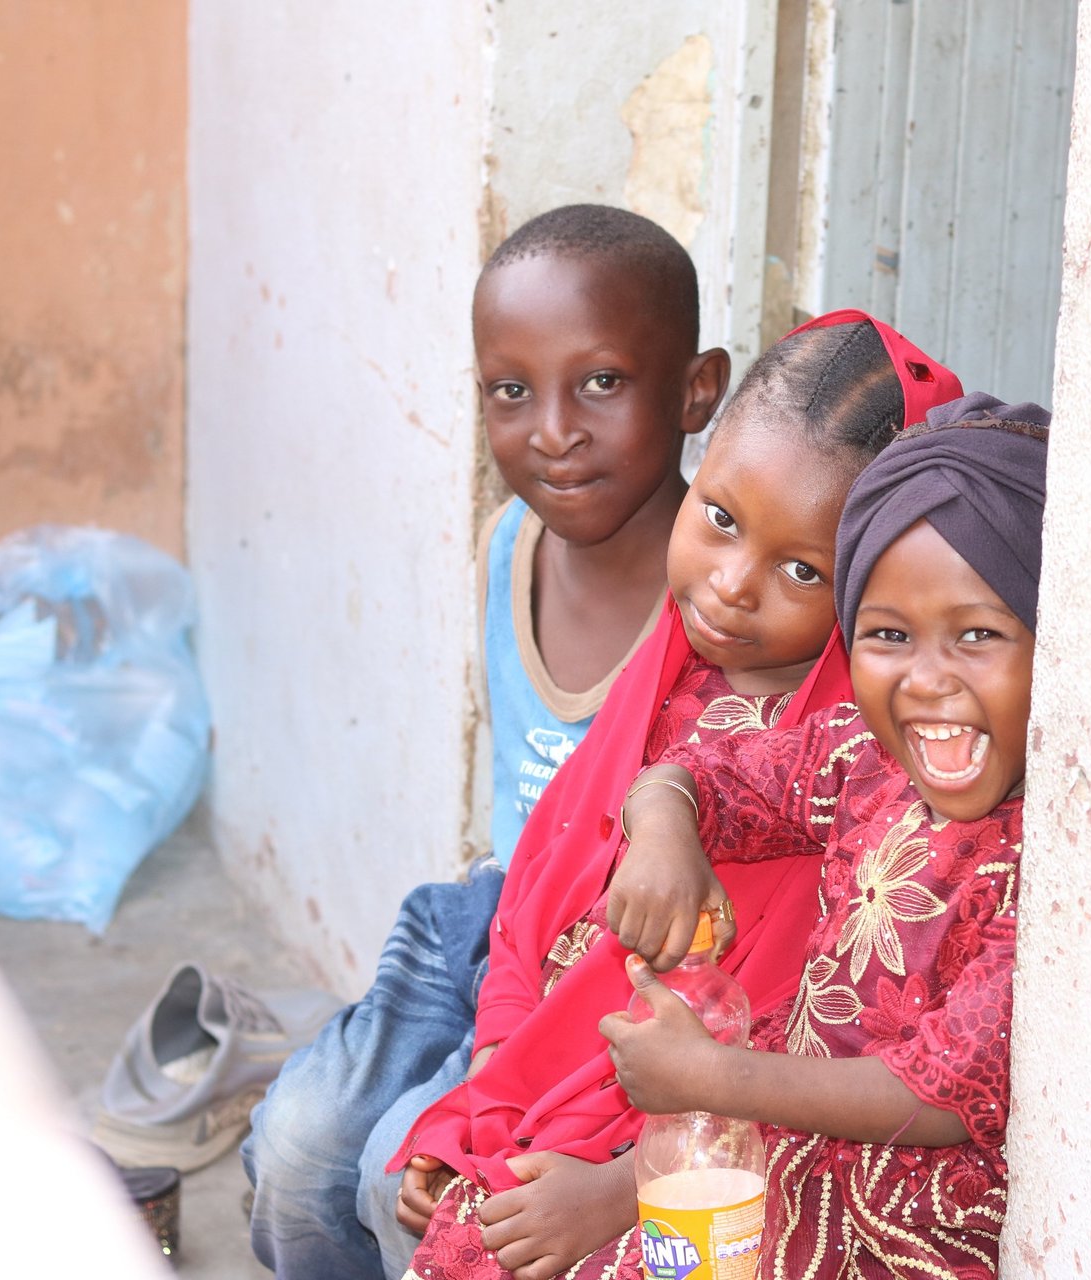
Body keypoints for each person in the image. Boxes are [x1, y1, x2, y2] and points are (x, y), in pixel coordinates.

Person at [393, 313, 966, 1280]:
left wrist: (617, 1185)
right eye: (720, 519)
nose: (733, 586)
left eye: (801, 570)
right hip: (543, 1085)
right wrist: (485, 1089)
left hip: (679, 1154)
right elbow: (536, 900)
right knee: (352, 1164)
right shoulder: (666, 676)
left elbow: (796, 1059)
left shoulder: (841, 771)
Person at [243, 203, 731, 1280]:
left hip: (605, 968)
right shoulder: (510, 540)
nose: (552, 428)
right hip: (487, 922)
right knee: (293, 1145)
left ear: (698, 388)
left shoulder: (723, 606)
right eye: (512, 391)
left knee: (395, 1175)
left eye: (600, 381)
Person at [598, 393, 1051, 1278]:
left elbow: (940, 1096)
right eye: (887, 634)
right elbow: (698, 771)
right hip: (773, 1177)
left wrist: (710, 1080)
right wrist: (662, 832)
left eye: (978, 635)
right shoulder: (866, 760)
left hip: (899, 1233)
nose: (927, 680)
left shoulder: (1049, 862)